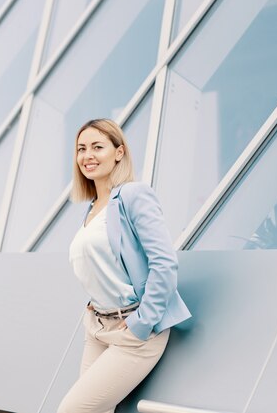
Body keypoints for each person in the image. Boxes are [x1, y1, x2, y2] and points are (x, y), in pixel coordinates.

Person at [58, 119, 191, 413]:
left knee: (72, 410)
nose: (87, 155)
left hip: (134, 330)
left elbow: (165, 263)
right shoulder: (92, 208)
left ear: (119, 152)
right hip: (98, 327)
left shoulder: (133, 195)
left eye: (97, 147)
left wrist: (142, 323)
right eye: (81, 149)